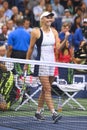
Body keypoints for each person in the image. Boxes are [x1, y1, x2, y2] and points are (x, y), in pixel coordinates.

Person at [24, 11, 65, 122]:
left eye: (51, 17)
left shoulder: (55, 32)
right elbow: (31, 48)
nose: (50, 19)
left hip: (52, 63)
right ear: (42, 19)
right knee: (47, 89)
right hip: (41, 63)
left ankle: (38, 112)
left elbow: (58, 47)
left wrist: (66, 39)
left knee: (44, 89)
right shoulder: (36, 32)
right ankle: (53, 113)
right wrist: (26, 63)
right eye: (47, 17)